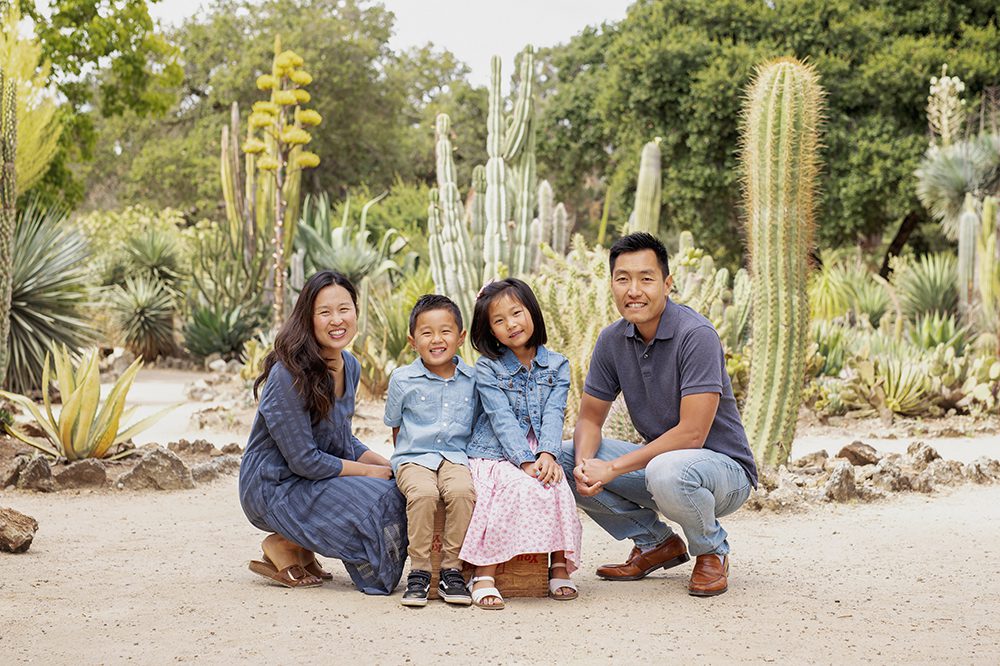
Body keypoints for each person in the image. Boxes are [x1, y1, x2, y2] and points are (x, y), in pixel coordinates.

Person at [560, 232, 758, 597]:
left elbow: (692, 435)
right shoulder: (612, 340)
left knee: (667, 470)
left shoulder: (695, 334)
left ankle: (711, 550)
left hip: (722, 474)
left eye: (646, 278)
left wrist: (613, 469)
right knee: (564, 458)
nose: (634, 289)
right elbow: (589, 419)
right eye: (623, 279)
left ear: (667, 284)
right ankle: (655, 543)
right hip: (662, 470)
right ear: (612, 285)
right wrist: (587, 467)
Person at [238, 270, 406, 595]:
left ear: (357, 311)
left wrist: (392, 467)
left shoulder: (350, 366)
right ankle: (283, 542)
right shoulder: (288, 375)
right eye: (324, 312)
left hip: (313, 477)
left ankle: (300, 544)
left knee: (400, 487)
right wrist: (372, 473)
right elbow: (304, 460)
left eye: (344, 309)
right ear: (308, 318)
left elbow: (343, 441)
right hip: (274, 485)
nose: (336, 320)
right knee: (380, 500)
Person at [460, 278, 583, 610]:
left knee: (557, 485)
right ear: (490, 331)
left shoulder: (557, 364)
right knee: (513, 487)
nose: (511, 324)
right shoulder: (488, 367)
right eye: (499, 321)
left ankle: (558, 564)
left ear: (532, 312)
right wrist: (525, 461)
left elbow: (556, 412)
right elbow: (500, 417)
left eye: (516, 313)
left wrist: (547, 454)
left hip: (539, 447)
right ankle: (484, 572)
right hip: (497, 451)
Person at [384, 294, 478, 608]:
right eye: (427, 333)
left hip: (455, 457)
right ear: (413, 341)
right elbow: (396, 426)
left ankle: (452, 569)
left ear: (461, 337)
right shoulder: (402, 379)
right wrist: (406, 461)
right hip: (413, 457)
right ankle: (420, 572)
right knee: (424, 494)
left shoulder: (473, 380)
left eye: (445, 331)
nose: (436, 340)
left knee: (463, 491)